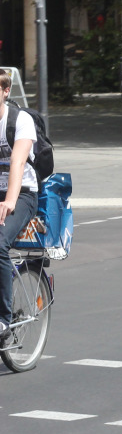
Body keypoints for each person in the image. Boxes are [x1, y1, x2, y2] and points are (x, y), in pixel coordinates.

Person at [0, 72, 38, 340]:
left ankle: (3, 318)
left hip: (22, 194)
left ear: (5, 90)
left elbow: (18, 162)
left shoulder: (20, 120)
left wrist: (10, 201)